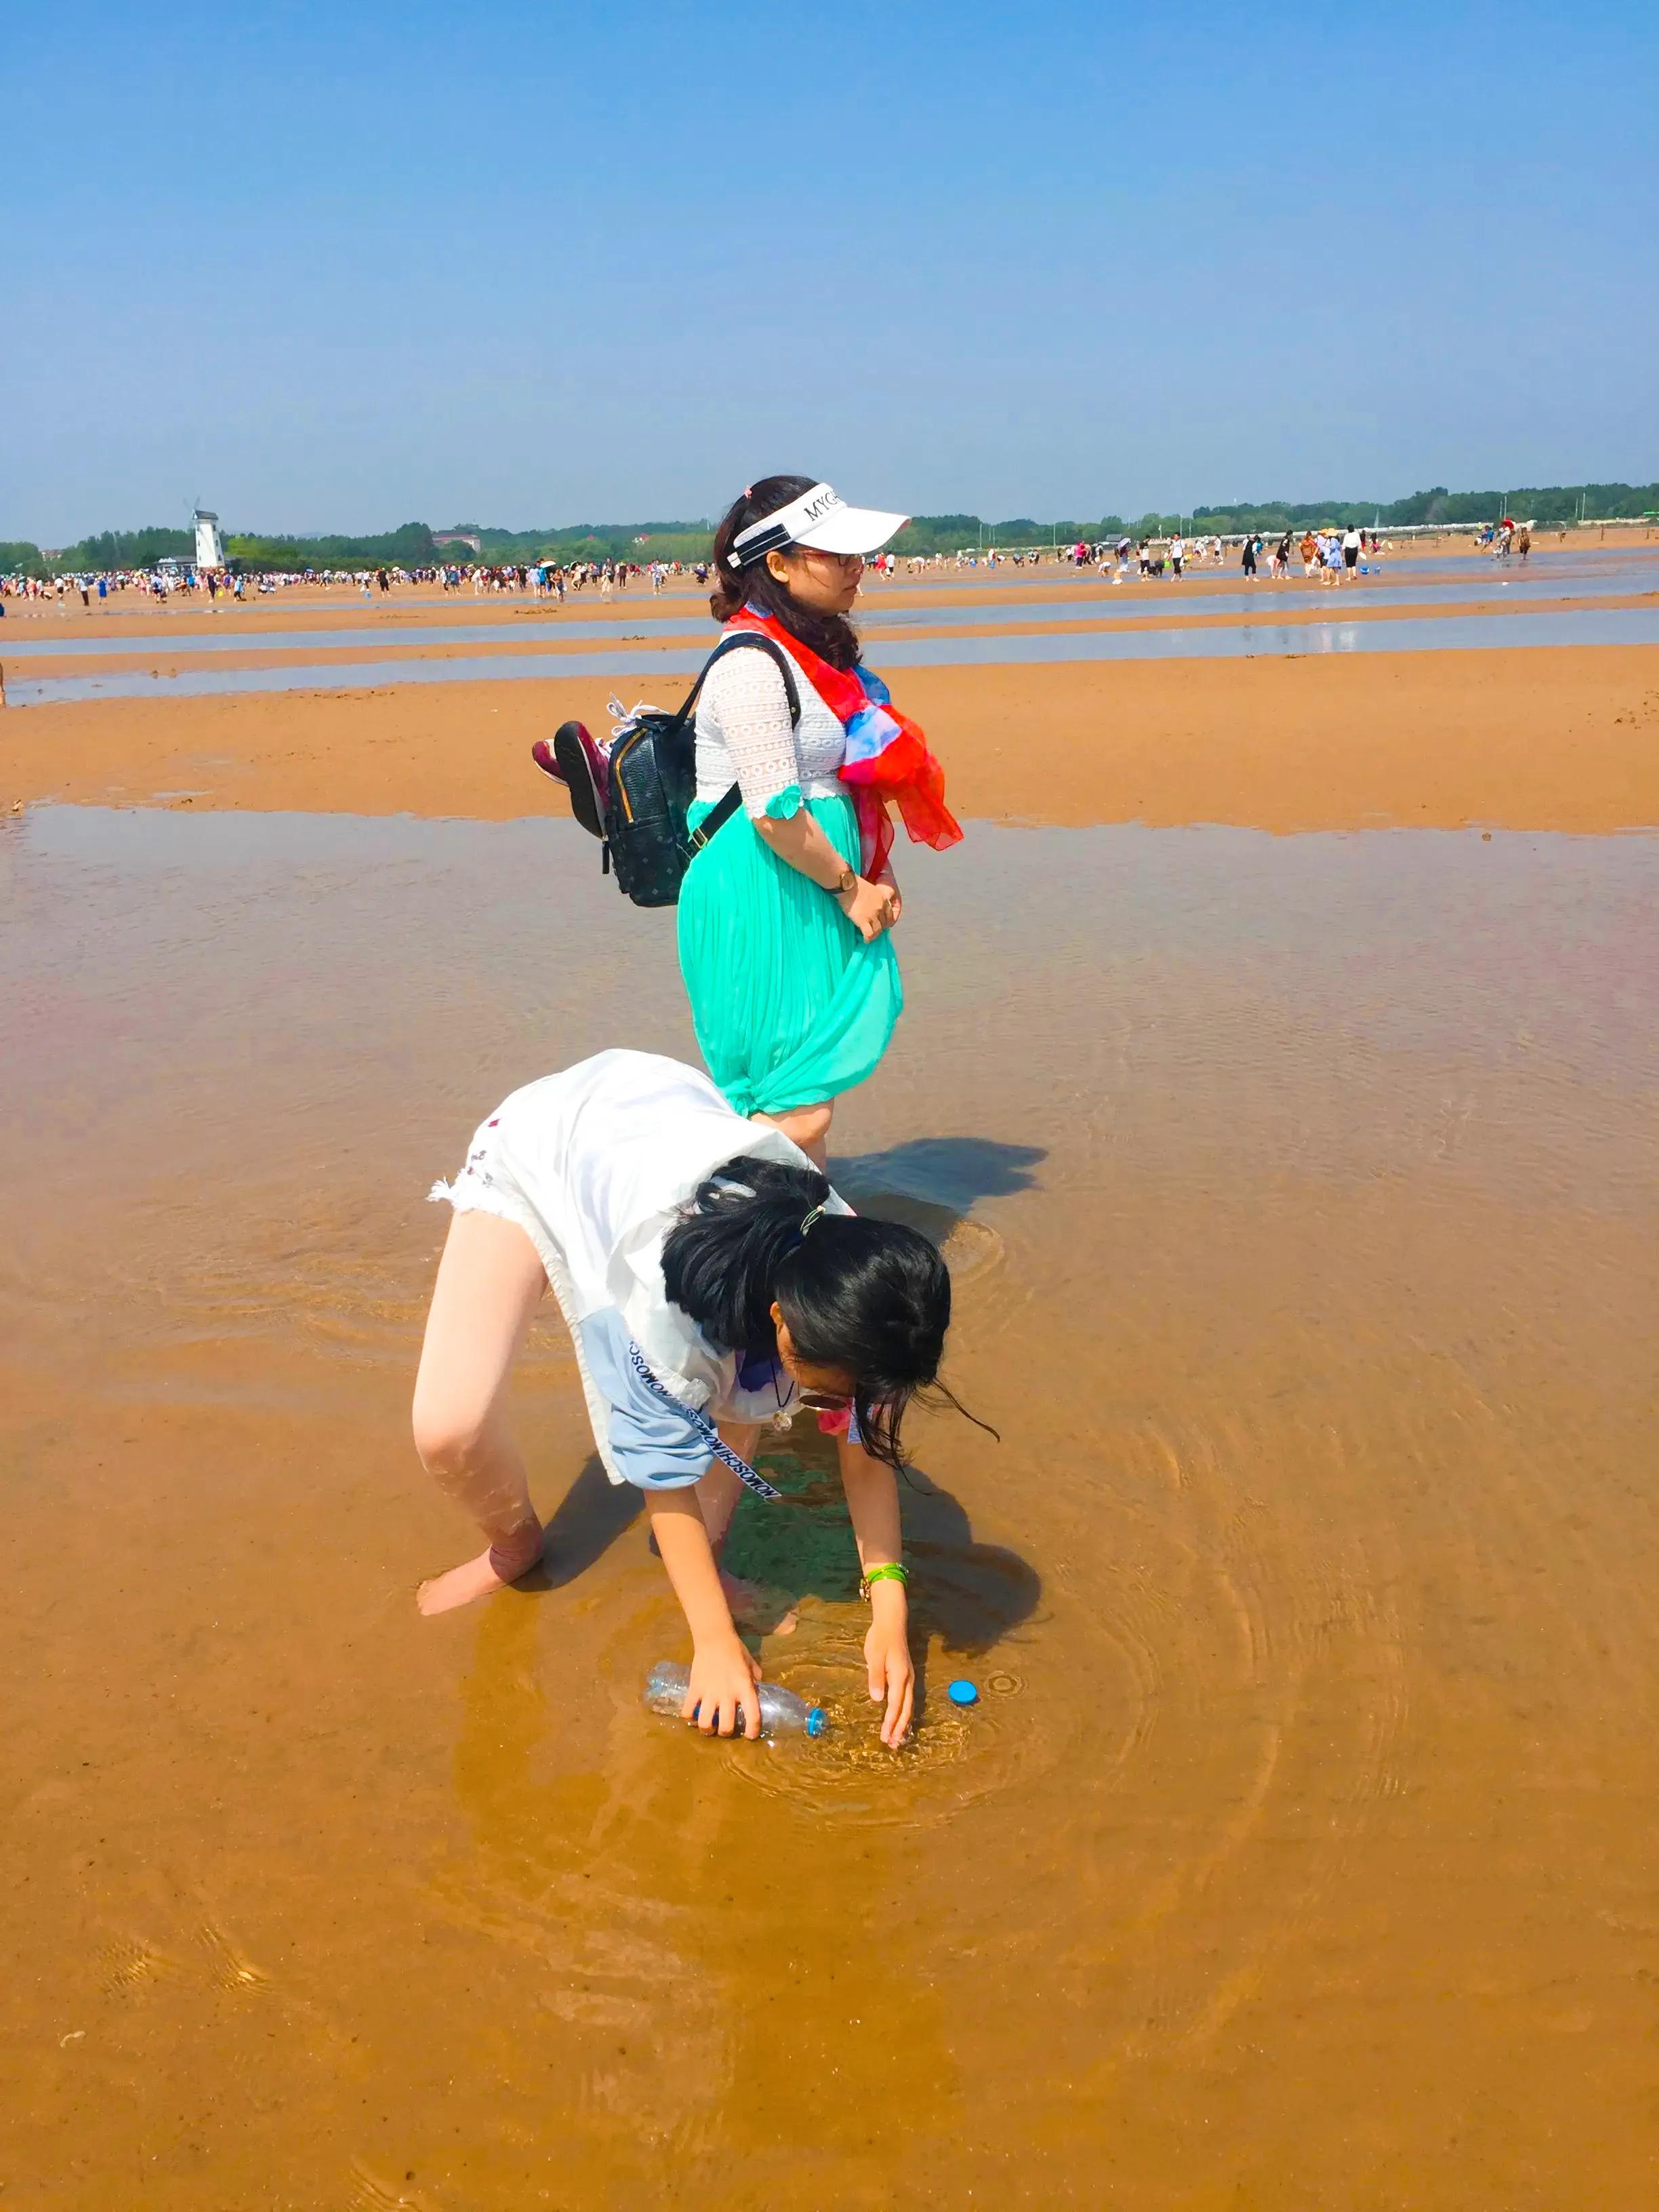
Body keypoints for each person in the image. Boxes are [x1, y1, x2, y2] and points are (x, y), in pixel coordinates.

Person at [414, 1049, 967, 1745]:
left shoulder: (864, 1287)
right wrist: (710, 1641)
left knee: (740, 1397)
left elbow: (866, 1451)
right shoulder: (657, 1315)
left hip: (657, 1127)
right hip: (543, 1147)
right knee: (448, 1427)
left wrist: (889, 1606)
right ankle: (512, 1547)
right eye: (833, 1391)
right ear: (779, 1322)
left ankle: (713, 1551)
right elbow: (662, 1474)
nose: (844, 1407)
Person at [678, 476, 960, 1169]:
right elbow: (775, 812)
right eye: (837, 555)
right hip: (762, 888)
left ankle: (796, 1239)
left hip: (810, 885)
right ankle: (761, 1254)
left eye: (857, 556)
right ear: (776, 563)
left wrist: (874, 869)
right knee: (787, 1099)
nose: (856, 569)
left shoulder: (817, 659)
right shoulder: (750, 664)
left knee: (807, 1093)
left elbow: (847, 778)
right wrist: (849, 887)